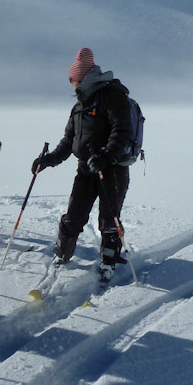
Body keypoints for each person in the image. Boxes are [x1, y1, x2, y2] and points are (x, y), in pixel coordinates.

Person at [31, 47, 133, 279]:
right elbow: (69, 141)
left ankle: (109, 260)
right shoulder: (79, 106)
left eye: (72, 79)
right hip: (86, 171)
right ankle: (62, 253)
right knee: (74, 215)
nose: (71, 84)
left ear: (82, 77)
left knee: (109, 218)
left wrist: (106, 156)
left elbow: (123, 131)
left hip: (112, 170)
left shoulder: (112, 96)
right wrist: (47, 160)